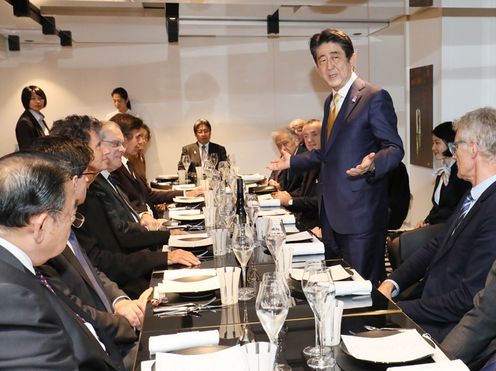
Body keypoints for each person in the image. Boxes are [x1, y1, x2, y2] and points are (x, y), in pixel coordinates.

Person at [268, 28, 404, 284]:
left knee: (364, 292)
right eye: (322, 60)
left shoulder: (374, 97)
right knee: (339, 291)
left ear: (352, 59)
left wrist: (372, 165)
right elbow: (328, 154)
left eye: (335, 57)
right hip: (330, 216)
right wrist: (292, 161)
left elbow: (395, 148)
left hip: (361, 218)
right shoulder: (331, 102)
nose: (329, 66)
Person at [378, 107, 496, 343]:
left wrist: (400, 310)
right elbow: (436, 245)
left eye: (456, 147)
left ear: (473, 148)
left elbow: (468, 297)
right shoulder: (474, 195)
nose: (453, 155)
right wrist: (393, 281)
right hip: (429, 304)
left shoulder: (492, 208)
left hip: (448, 327)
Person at [0, 152, 122, 370]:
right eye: (71, 215)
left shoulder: (18, 264)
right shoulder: (9, 296)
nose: (73, 224)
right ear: (40, 226)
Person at [77, 121, 200, 297]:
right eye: (114, 144)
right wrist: (164, 247)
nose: (122, 148)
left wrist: (165, 236)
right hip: (129, 278)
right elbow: (116, 245)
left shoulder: (106, 179)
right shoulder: (92, 190)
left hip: (136, 262)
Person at [110, 113, 200, 217]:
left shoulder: (128, 164)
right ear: (123, 137)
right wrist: (145, 215)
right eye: (138, 137)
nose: (141, 142)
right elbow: (127, 205)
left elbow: (149, 195)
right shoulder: (114, 169)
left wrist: (186, 193)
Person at [416, 121, 471, 228]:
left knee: (400, 242)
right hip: (437, 228)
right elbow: (437, 207)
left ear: (450, 142)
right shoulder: (442, 171)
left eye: (437, 143)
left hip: (448, 230)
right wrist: (425, 222)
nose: (433, 148)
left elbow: (459, 211)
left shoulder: (461, 173)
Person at [273, 119, 322, 230]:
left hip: (319, 226)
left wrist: (289, 201)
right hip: (304, 220)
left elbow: (320, 201)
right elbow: (305, 195)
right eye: (305, 136)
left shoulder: (329, 163)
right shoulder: (308, 161)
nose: (309, 140)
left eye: (314, 134)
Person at [269, 127, 306, 194]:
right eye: (279, 146)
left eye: (285, 143)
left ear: (296, 141)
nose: (282, 149)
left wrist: (286, 196)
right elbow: (285, 185)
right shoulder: (286, 158)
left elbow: (305, 190)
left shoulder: (304, 158)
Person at [15, 85, 49, 150]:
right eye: (33, 99)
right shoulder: (24, 123)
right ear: (26, 100)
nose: (38, 101)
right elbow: (28, 152)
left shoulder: (40, 119)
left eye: (40, 98)